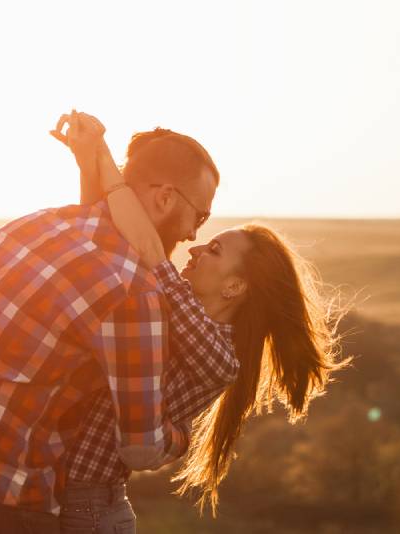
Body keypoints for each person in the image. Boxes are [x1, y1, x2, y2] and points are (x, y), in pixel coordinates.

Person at [0, 116, 232, 533]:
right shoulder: (135, 295)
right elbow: (140, 444)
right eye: (201, 215)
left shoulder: (35, 225)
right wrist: (183, 437)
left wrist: (92, 163)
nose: (193, 234)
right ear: (164, 198)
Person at [56, 112, 350, 527]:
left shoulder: (217, 356)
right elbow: (106, 244)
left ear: (235, 287)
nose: (192, 248)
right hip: (68, 497)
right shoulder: (170, 311)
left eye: (213, 250)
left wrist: (102, 158)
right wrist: (89, 164)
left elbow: (145, 246)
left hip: (88, 507)